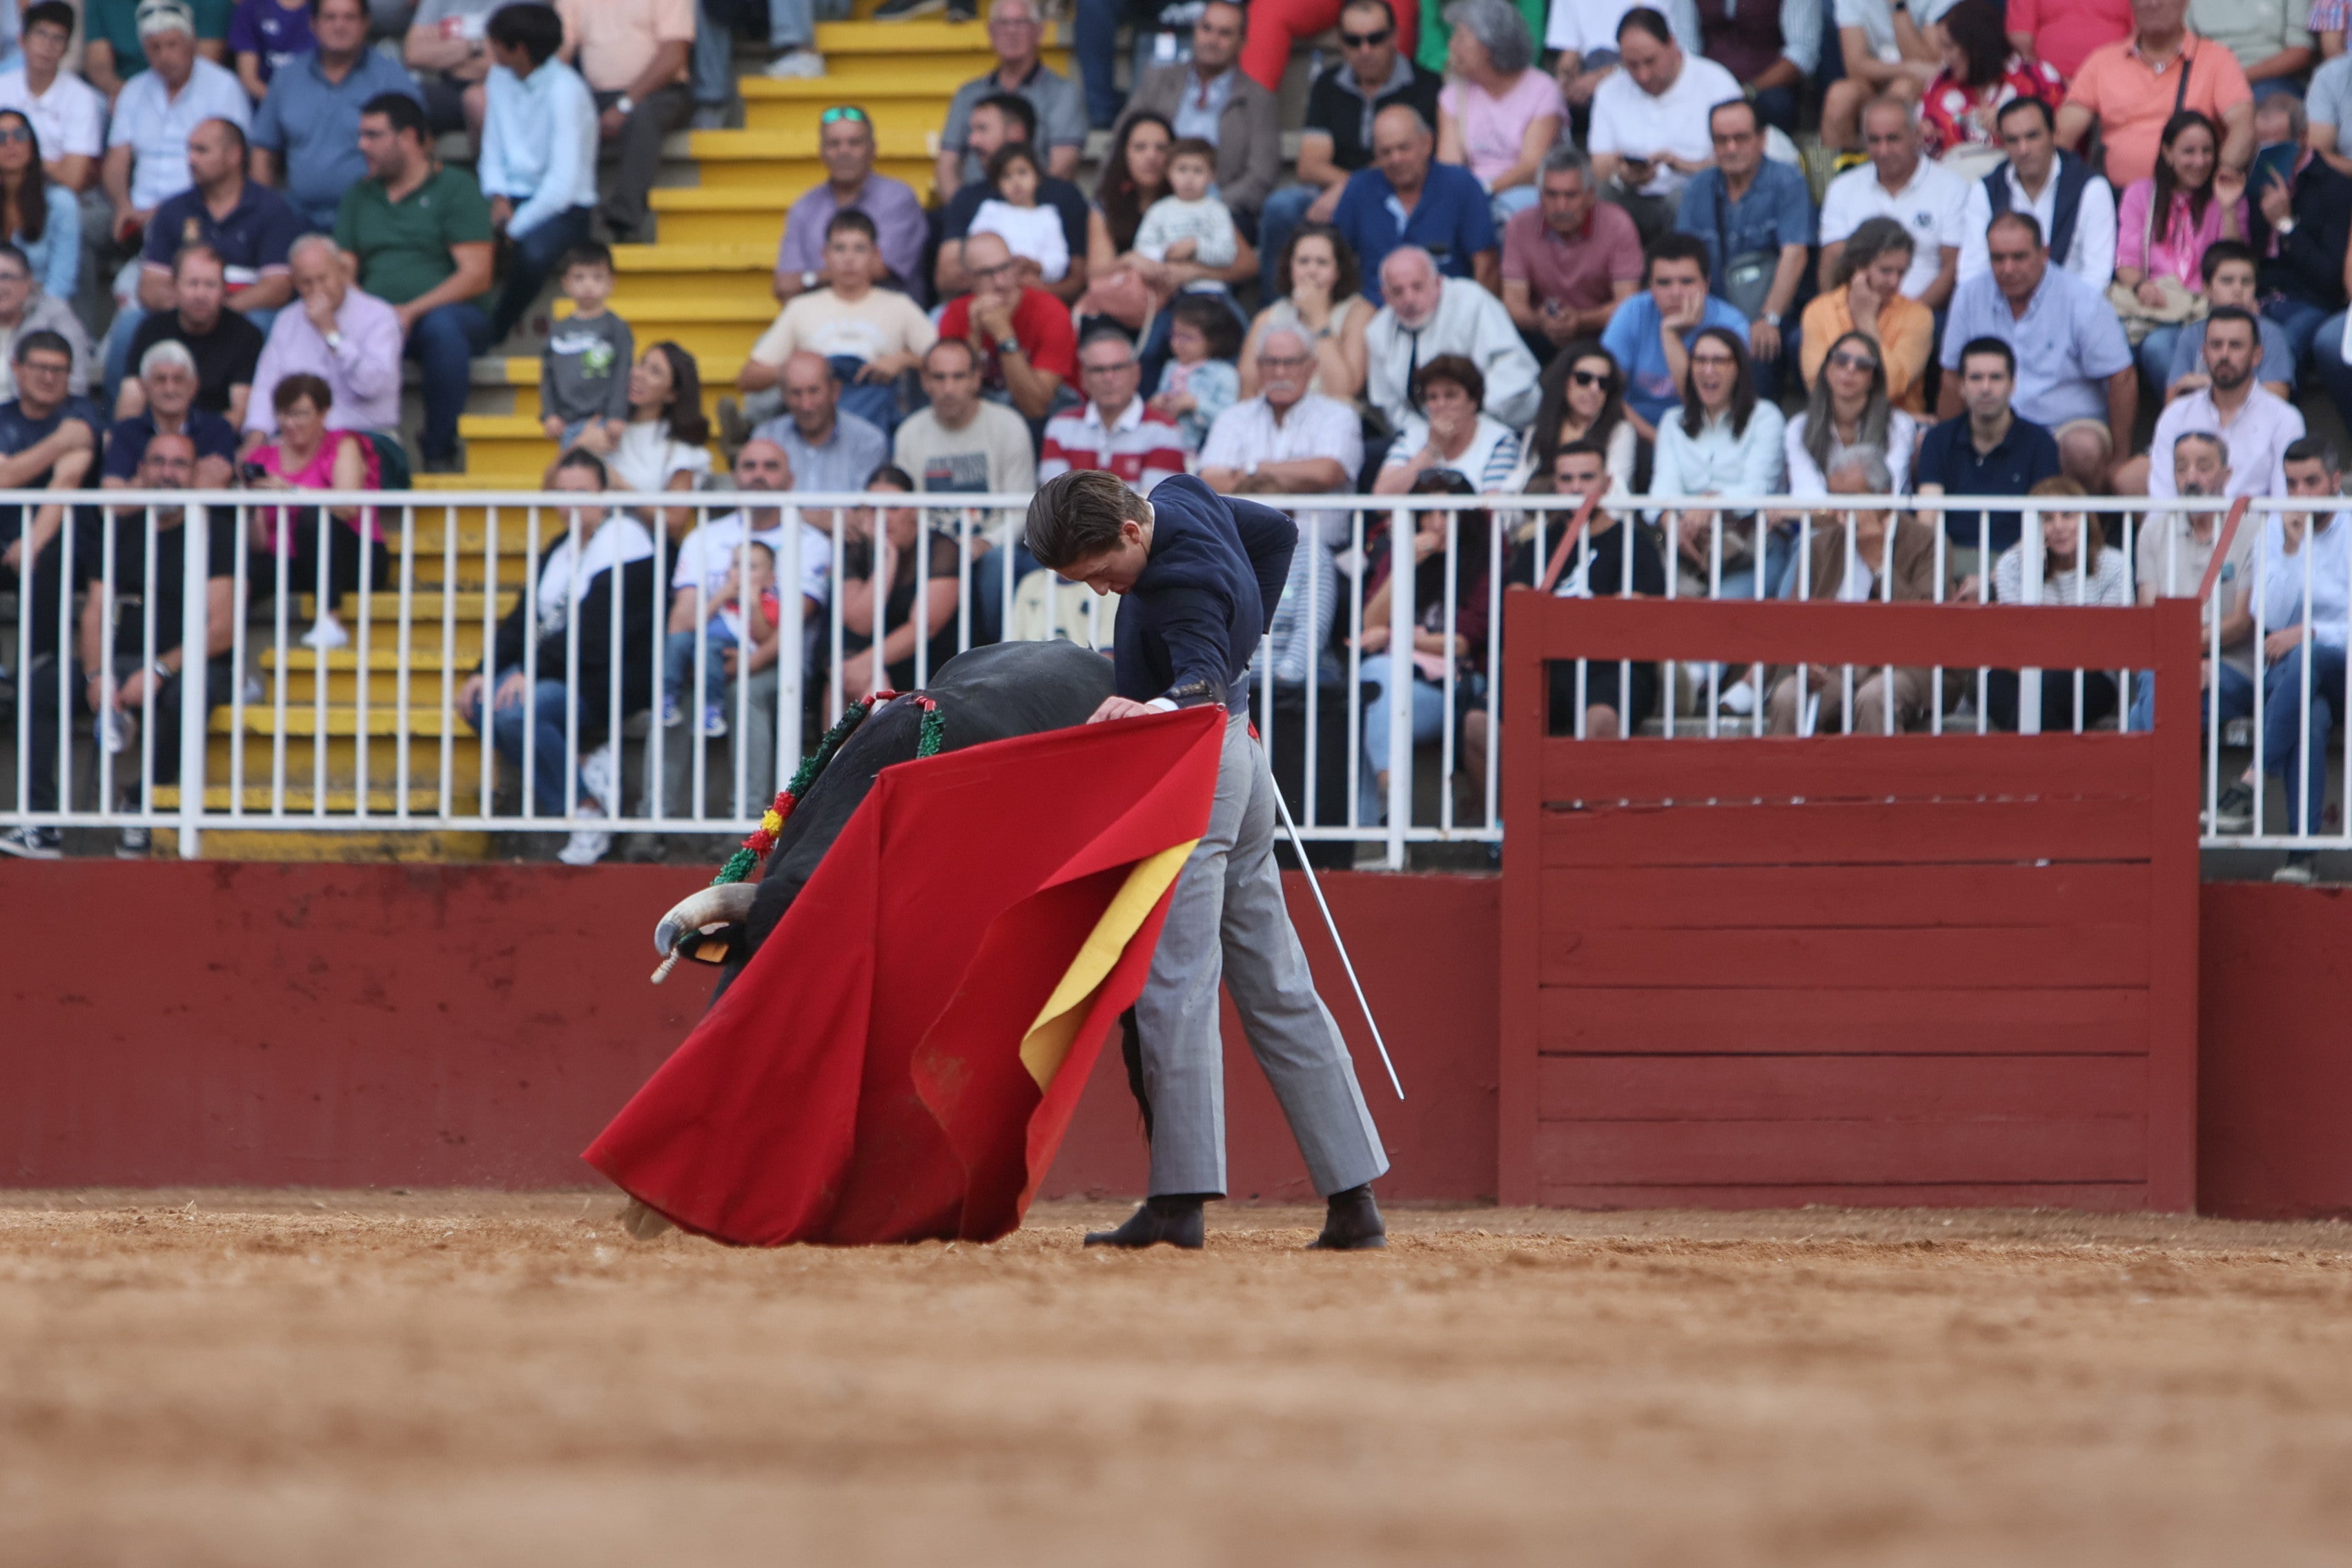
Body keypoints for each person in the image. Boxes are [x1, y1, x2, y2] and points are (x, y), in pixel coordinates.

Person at [1021, 467, 1391, 1253]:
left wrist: (1157, 699)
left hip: (1198, 768)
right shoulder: (1179, 496)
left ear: (1128, 532)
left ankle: (1178, 1199)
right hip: (1242, 761)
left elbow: (1196, 681)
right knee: (1277, 980)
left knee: (1173, 981)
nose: (1103, 592)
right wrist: (1241, 634)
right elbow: (1278, 533)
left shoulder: (1179, 578)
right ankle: (1353, 1194)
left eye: (1100, 575)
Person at [3, 433, 234, 863]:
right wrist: (95, 675)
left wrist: (161, 671)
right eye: (158, 463)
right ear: (140, 472)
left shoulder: (214, 531)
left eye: (179, 465)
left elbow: (221, 629)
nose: (167, 474)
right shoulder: (119, 530)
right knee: (38, 684)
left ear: (195, 473)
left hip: (188, 665)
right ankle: (41, 821)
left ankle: (143, 809)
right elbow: (93, 613)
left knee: (189, 694)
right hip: (118, 663)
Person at [460, 448, 658, 866]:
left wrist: (530, 672)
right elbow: (522, 617)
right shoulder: (561, 546)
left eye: (582, 491)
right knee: (478, 704)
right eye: (562, 492)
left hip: (606, 676)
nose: (571, 502)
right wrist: (485, 670)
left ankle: (586, 810)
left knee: (516, 714)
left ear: (604, 493)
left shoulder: (628, 540)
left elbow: (597, 636)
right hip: (556, 669)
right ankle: (583, 771)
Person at [643, 438, 820, 822]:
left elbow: (791, 627)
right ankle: (651, 821)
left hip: (775, 666)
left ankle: (748, 826)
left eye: (770, 467)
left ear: (790, 479)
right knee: (670, 702)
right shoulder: (702, 537)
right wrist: (691, 660)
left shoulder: (812, 543)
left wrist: (742, 665)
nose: (759, 475)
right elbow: (683, 615)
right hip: (710, 655)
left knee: (744, 694)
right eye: (749, 466)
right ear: (736, 477)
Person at [334, 92, 493, 474]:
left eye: (373, 135)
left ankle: (438, 448)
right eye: (362, 135)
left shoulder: (455, 187)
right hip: (376, 315)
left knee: (445, 331)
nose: (362, 146)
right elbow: (342, 270)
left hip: (443, 313)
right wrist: (371, 315)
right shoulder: (360, 195)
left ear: (406, 138)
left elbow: (477, 274)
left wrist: (410, 311)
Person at [1256, 0, 1442, 299]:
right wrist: (1348, 189)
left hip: (1398, 192)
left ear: (1395, 36)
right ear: (1341, 42)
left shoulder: (1427, 86)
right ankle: (1277, 317)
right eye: (1354, 41)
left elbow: (1410, 160)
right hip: (1334, 194)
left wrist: (1350, 188)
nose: (1365, 50)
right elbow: (1310, 165)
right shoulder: (1328, 84)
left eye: (1376, 38)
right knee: (1282, 208)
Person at [1938, 210, 2135, 490]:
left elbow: (2122, 377)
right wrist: (1945, 440)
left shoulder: (2082, 299)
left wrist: (2121, 458)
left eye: (2019, 257)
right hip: (1987, 421)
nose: (2007, 268)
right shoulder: (1969, 295)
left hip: (2063, 426)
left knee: (2083, 449)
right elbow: (1950, 376)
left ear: (2044, 253)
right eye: (1998, 258)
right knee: (1926, 446)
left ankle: (2088, 530)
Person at [110, 117, 294, 402]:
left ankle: (252, 424)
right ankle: (119, 430)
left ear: (234, 155)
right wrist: (189, 307)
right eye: (189, 150)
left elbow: (278, 286)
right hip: (183, 310)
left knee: (263, 325)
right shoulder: (174, 209)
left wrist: (219, 308)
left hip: (245, 312)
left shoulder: (270, 208)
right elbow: (150, 285)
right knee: (128, 326)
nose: (190, 159)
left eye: (202, 150)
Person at [1766, 449, 1947, 734]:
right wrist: (1804, 660)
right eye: (1834, 498)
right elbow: (1793, 622)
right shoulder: (1821, 545)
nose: (1840, 512)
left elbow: (1927, 623)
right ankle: (1786, 778)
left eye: (1851, 499)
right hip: (1833, 665)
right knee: (1789, 696)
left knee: (1875, 696)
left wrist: (1878, 562)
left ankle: (1876, 779)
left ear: (1885, 495)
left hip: (1901, 663)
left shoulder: (1928, 543)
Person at [1354, 467, 1493, 821]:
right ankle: (1385, 803)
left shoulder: (1483, 558)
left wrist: (1395, 636)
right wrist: (1406, 566)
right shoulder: (1402, 553)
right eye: (1427, 514)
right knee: (1375, 686)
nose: (1436, 524)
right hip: (1394, 682)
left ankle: (1385, 809)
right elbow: (1370, 622)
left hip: (1454, 686)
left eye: (1445, 513)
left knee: (1374, 682)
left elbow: (1462, 643)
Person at [2246, 438, 2349, 878]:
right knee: (2310, 719)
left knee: (2310, 653)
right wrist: (2291, 550)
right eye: (2291, 483)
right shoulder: (2276, 525)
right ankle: (2301, 853)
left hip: (2345, 666)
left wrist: (2310, 631)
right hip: (2296, 674)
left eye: (2311, 482)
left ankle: (2256, 774)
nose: (2300, 493)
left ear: (2335, 481)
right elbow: (2266, 617)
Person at [0, 327, 102, 767]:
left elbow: (67, 480)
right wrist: (59, 442)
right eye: (39, 367)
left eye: (58, 370)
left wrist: (32, 542)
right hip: (8, 542)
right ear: (16, 368)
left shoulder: (86, 414)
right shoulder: (14, 418)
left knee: (51, 559)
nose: (48, 377)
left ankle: (35, 667)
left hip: (63, 546)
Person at [740, 210, 934, 438]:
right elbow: (748, 377)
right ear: (825, 256)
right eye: (840, 248)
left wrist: (904, 360)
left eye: (859, 249)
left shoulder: (900, 306)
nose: (849, 258)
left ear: (876, 255)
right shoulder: (801, 307)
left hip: (877, 421)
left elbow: (947, 361)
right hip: (811, 420)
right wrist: (804, 370)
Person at [892, 337, 1037, 637]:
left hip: (991, 545)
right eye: (939, 377)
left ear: (975, 379)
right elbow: (905, 507)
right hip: (930, 547)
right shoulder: (910, 433)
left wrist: (985, 542)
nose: (948, 388)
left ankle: (998, 650)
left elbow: (1023, 508)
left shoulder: (1008, 425)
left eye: (958, 377)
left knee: (999, 561)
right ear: (925, 381)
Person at [2124, 427, 2256, 741]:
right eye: (2181, 468)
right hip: (2170, 667)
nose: (2191, 478)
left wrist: (2183, 651)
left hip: (2232, 667)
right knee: (2160, 697)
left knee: (2143, 714)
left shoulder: (2254, 530)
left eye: (2203, 467)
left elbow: (2241, 623)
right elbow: (2149, 617)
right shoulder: (2153, 533)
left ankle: (2140, 789)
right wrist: (2182, 657)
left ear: (2227, 474)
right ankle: (2165, 790)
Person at [1673, 99, 1812, 397]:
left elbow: (1795, 254)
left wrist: (1770, 316)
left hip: (1770, 313)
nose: (1731, 148)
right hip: (1712, 312)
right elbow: (1684, 258)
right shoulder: (1698, 188)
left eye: (1741, 138)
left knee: (1759, 349)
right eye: (1721, 140)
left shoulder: (1788, 182)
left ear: (1762, 139)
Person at [101, 3, 251, 279]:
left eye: (172, 44)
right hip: (137, 214)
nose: (164, 56)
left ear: (192, 40)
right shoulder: (133, 90)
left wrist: (161, 213)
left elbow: (231, 163)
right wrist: (123, 205)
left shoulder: (223, 87)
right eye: (154, 48)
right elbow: (117, 159)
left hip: (200, 210)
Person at [478, 1, 598, 341]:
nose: (490, 50)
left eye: (497, 43)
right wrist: (498, 196)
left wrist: (512, 229)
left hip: (564, 208)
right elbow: (493, 147)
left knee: (533, 255)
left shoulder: (567, 91)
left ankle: (493, 331)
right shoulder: (499, 76)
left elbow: (562, 186)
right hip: (510, 196)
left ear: (519, 50)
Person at [249, 0, 422, 233]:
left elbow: (417, 148)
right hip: (296, 216)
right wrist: (264, 215)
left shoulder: (391, 78)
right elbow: (263, 152)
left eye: (349, 18)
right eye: (330, 18)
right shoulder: (288, 77)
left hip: (373, 216)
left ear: (365, 24)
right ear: (313, 24)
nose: (339, 26)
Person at [245, 371, 386, 651]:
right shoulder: (263, 457)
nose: (291, 423)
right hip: (292, 560)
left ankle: (331, 620)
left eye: (301, 414)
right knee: (240, 569)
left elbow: (347, 506)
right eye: (284, 414)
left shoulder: (343, 444)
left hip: (355, 557)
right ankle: (232, 668)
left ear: (323, 413)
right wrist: (251, 502)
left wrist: (291, 492)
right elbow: (259, 542)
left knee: (313, 518)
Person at [1980, 474, 2133, 733]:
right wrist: (2033, 571)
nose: (2058, 527)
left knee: (2044, 694)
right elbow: (2014, 645)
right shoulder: (2013, 565)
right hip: (2021, 673)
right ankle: (2052, 771)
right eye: (2047, 518)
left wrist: (2047, 651)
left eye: (2068, 515)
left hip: (2090, 677)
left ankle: (2024, 769)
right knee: (1994, 685)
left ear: (2086, 518)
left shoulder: (2113, 565)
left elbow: (2103, 648)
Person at [1647, 324, 1787, 602]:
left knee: (1719, 613)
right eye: (1700, 360)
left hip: (1752, 547)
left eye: (1719, 361)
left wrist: (1708, 503)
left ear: (1739, 369)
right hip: (1689, 546)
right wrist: (1671, 520)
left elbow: (1758, 488)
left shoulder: (1766, 417)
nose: (1708, 370)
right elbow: (1662, 490)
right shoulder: (1673, 422)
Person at [1115, 0, 1282, 230]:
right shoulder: (1158, 80)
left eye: (1225, 34)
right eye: (1207, 28)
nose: (1212, 40)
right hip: (1152, 204)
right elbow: (1121, 139)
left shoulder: (1258, 99)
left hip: (1223, 214)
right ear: (1195, 30)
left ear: (1242, 43)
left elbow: (1262, 175)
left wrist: (1210, 207)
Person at [1199, 322, 1363, 553]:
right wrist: (1296, 478)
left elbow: (1326, 473)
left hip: (1316, 553)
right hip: (1243, 551)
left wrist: (1253, 470)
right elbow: (1211, 479)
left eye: (1291, 362)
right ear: (1258, 366)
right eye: (1271, 362)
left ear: (1312, 367)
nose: (1280, 372)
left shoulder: (1338, 416)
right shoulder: (1233, 417)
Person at [2114, 110, 2248, 391]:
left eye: (2207, 151)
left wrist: (2227, 208)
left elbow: (2236, 263)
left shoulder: (2227, 194)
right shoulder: (2140, 194)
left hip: (2207, 309)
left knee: (2169, 346)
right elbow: (2126, 260)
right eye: (2189, 151)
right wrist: (2141, 286)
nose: (2200, 161)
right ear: (2167, 153)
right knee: (2155, 346)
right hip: (2159, 308)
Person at [2059, 0, 2255, 190]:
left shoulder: (2217, 59)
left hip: (2191, 203)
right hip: (2117, 203)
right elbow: (2062, 136)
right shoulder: (2102, 62)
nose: (2153, 3)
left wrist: (2218, 180)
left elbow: (2243, 126)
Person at [1585, 7, 1741, 242]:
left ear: (1672, 44)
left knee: (1683, 198)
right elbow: (1599, 164)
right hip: (1634, 196)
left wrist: (1685, 166)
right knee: (1595, 196)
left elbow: (1740, 160)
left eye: (1650, 61)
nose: (1643, 75)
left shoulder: (1717, 84)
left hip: (1698, 197)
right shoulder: (1610, 90)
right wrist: (1624, 172)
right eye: (1632, 65)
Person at [1912, 335, 2062, 579]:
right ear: (1961, 386)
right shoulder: (1938, 439)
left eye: (1995, 377)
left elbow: (2043, 526)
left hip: (2017, 568)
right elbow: (1927, 521)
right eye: (1975, 378)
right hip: (1947, 563)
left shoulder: (2040, 442)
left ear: (2013, 384)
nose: (1985, 387)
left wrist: (1994, 579)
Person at [243, 234, 403, 451]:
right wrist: (256, 435)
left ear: (342, 272)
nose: (317, 290)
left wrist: (331, 333)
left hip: (366, 437)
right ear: (295, 283)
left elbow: (371, 386)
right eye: (307, 283)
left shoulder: (380, 316)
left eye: (323, 279)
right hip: (300, 441)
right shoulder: (287, 320)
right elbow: (267, 385)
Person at [2125, 305, 2303, 499]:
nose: (2224, 355)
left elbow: (2283, 506)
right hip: (2186, 529)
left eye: (2235, 345)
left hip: (2254, 528)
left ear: (2256, 356)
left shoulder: (2284, 419)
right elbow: (2162, 504)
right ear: (2204, 353)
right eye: (2216, 345)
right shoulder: (2176, 415)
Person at [553, 0, 694, 242]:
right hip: (596, 95)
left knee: (642, 116)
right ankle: (565, 225)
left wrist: (625, 105)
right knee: (561, 115)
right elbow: (562, 51)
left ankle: (624, 221)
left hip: (661, 91)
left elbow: (673, 56)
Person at [1332, 102, 1499, 302]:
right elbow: (1334, 255)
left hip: (1446, 309)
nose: (1396, 159)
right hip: (1375, 310)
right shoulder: (1360, 188)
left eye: (1404, 148)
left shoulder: (1460, 185)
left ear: (1427, 143)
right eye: (1385, 152)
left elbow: (1486, 264)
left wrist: (1471, 316)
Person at [1366, 244, 1542, 431]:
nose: (1408, 299)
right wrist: (1427, 435)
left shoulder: (1472, 302)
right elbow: (1390, 406)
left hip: (1502, 423)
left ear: (1438, 283)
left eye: (1417, 287)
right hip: (1427, 436)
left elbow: (1513, 372)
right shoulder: (1378, 330)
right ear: (1384, 296)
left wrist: (1467, 426)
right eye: (1397, 292)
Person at [937, 94, 1090, 306]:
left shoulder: (1064, 198)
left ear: (1016, 133)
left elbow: (1079, 279)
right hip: (979, 305)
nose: (972, 141)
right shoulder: (969, 198)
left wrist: (1038, 287)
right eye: (972, 131)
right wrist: (999, 277)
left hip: (1044, 307)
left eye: (982, 129)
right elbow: (945, 277)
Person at [1958, 97, 2120, 295]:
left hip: (2072, 310)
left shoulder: (2091, 188)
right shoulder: (1986, 189)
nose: (2023, 149)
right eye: (2013, 140)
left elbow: (2097, 275)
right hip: (2003, 311)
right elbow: (1972, 272)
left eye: (2032, 136)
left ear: (2054, 134)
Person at [1816, 95, 1963, 313]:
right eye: (1874, 140)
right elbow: (1832, 260)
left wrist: (1909, 318)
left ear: (1916, 137)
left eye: (1893, 139)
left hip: (1923, 313)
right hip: (1852, 314)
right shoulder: (1842, 187)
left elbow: (1952, 268)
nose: (1883, 151)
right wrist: (1834, 315)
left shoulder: (1952, 188)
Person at [775, 103, 927, 308]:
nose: (843, 151)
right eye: (834, 144)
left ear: (873, 149)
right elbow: (783, 286)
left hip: (886, 320)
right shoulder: (804, 206)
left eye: (854, 143)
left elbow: (880, 270)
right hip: (821, 324)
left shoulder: (898, 198)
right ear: (821, 151)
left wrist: (808, 278)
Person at [1600, 231, 1748, 435]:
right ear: (1650, 286)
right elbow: (1605, 391)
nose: (1676, 293)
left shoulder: (1731, 324)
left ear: (1706, 285)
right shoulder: (1632, 311)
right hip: (1637, 429)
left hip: (1706, 430)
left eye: (1687, 282)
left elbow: (1709, 405)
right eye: (1664, 283)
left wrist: (1670, 335)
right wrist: (1657, 440)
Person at [935, 0, 1085, 196]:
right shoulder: (967, 94)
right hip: (976, 209)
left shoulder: (1063, 93)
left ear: (1039, 32)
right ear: (990, 32)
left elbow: (1062, 168)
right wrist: (963, 211)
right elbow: (947, 164)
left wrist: (1019, 212)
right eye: (1003, 23)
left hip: (1035, 208)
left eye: (1020, 22)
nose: (1011, 31)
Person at [1507, 146, 1641, 363]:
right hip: (1542, 337)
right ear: (1539, 195)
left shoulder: (1618, 225)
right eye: (1551, 195)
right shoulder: (1519, 226)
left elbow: (1628, 304)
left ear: (1590, 195)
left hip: (1603, 338)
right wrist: (1540, 320)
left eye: (1571, 195)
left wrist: (1581, 320)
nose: (1561, 206)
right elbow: (1514, 304)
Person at [839, 464, 963, 698]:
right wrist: (887, 556)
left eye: (893, 508)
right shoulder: (858, 550)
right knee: (858, 684)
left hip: (933, 664)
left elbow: (923, 627)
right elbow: (860, 622)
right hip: (880, 664)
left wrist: (863, 664)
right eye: (874, 509)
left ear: (914, 509)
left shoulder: (942, 548)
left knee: (867, 681)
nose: (883, 517)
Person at [1438, 0, 1564, 227]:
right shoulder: (1452, 94)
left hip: (1527, 192)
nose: (1452, 45)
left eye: (1461, 38)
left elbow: (1532, 166)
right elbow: (1450, 168)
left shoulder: (1542, 89)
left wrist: (1485, 192)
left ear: (1489, 46)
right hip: (1471, 194)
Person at [937, 231, 1076, 423]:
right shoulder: (955, 314)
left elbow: (1036, 408)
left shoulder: (1051, 311)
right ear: (967, 279)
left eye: (1005, 268)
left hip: (1050, 419)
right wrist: (975, 335)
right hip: (982, 421)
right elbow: (956, 401)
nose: (1000, 282)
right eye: (987, 274)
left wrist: (1004, 335)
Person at [2255, 117, 2352, 392]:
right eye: (2261, 145)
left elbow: (2331, 278)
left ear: (2303, 137)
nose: (2269, 154)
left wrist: (2286, 225)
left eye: (2279, 145)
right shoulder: (2253, 185)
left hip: (2311, 302)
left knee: (2280, 344)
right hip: (2258, 297)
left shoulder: (2335, 187)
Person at [1799, 217, 1933, 415]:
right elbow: (1817, 385)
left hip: (1896, 421)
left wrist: (1866, 321)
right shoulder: (1818, 311)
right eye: (1885, 271)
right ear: (1858, 267)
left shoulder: (1919, 316)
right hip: (1833, 420)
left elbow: (1891, 387)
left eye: (1901, 273)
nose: (1894, 281)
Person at [119, 241, 262, 424]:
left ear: (224, 290)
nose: (200, 294)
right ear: (175, 287)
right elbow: (130, 404)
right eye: (192, 284)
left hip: (216, 438)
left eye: (210, 285)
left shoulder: (246, 335)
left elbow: (240, 414)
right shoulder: (152, 330)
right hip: (157, 438)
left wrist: (189, 439)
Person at [1041, 326, 1187, 493]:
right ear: (1083, 378)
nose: (1108, 378)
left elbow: (1154, 507)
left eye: (1117, 368)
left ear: (1136, 373)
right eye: (1098, 370)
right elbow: (1056, 502)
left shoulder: (1164, 430)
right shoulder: (1060, 427)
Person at [1240, 222, 1375, 402]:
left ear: (1338, 271)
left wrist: (1318, 317)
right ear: (1290, 268)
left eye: (1322, 263)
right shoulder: (1268, 318)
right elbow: (1247, 391)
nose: (1311, 271)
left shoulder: (1359, 312)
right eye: (1303, 262)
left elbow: (1344, 390)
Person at [1917, 0, 2068, 160]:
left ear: (1976, 47)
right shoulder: (1940, 84)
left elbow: (2062, 140)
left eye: (1949, 47)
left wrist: (2009, 126)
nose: (1944, 57)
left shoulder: (2037, 79)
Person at [747, 352, 891, 509]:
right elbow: (761, 507)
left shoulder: (868, 440)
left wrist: (794, 517)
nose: (806, 405)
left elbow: (863, 515)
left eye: (814, 391)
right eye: (796, 393)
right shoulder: (767, 437)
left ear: (835, 391)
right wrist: (819, 519)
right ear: (783, 395)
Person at [663, 539, 776, 736]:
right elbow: (695, 624)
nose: (741, 572)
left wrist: (754, 604)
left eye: (751, 568)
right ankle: (666, 696)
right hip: (702, 644)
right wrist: (720, 597)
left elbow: (763, 637)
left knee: (708, 648)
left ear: (769, 580)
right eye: (736, 565)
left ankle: (712, 709)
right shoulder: (722, 598)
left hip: (729, 649)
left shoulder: (768, 603)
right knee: (678, 640)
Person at [1786, 329, 1917, 497]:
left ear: (1874, 379)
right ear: (1827, 370)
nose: (1850, 368)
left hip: (1882, 521)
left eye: (1863, 364)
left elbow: (1890, 491)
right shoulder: (1799, 427)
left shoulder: (1899, 424)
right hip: (1821, 523)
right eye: (1841, 360)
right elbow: (1807, 494)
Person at [1375, 353, 1525, 492]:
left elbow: (1491, 510)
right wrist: (1433, 450)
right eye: (1433, 397)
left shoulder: (1499, 441)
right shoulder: (1411, 438)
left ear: (1473, 401)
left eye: (1451, 396)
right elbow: (1381, 499)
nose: (1441, 404)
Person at [2164, 240, 2293, 400]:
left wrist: (2208, 384)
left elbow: (2276, 400)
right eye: (2227, 281)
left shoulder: (2271, 335)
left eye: (2246, 282)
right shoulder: (2191, 335)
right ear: (2206, 289)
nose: (2238, 290)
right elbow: (2173, 403)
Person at [607, 340, 713, 533]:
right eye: (641, 364)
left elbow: (675, 523)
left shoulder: (680, 450)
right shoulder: (605, 427)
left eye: (655, 371)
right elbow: (551, 489)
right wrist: (580, 444)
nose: (638, 374)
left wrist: (622, 488)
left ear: (672, 394)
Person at [0, 3, 106, 195]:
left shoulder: (82, 98)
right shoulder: (2, 87)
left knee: (63, 201)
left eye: (58, 39)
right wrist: (53, 163)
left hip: (53, 193)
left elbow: (73, 179)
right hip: (3, 190)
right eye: (41, 35)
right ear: (22, 40)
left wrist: (20, 158)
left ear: (66, 49)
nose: (48, 46)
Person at [104, 337, 236, 487]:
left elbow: (214, 485)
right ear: (144, 386)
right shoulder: (126, 431)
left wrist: (145, 480)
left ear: (194, 385)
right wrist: (190, 476)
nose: (169, 390)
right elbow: (113, 497)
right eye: (160, 380)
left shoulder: (217, 429)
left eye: (178, 380)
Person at [538, 243, 632, 455]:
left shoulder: (616, 328)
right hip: (567, 423)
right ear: (566, 284)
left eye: (598, 278)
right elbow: (548, 376)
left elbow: (622, 373)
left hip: (604, 422)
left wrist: (617, 415)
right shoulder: (558, 331)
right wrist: (550, 414)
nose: (588, 285)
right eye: (579, 278)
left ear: (611, 284)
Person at [1515, 337, 1637, 496]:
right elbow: (1518, 486)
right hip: (1545, 519)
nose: (1594, 389)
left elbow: (1617, 491)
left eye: (1603, 383)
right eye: (1583, 379)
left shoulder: (1620, 432)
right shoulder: (1538, 431)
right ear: (1564, 381)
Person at [1821, 0, 1940, 151]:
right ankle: (1838, 173)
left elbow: (1932, 66)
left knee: (1902, 89)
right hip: (1876, 82)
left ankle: (1891, 167)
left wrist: (1898, 7)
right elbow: (1855, 67)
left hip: (1926, 88)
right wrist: (1908, 68)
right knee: (1840, 95)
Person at [83, 0, 234, 106]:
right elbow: (99, 66)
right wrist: (133, 97)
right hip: (123, 92)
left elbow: (207, 59)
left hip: (193, 91)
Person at [1148, 292, 1242, 451]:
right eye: (1174, 335)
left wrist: (1195, 405)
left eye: (1188, 338)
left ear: (1214, 340)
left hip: (1205, 448)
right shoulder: (1171, 367)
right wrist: (1158, 403)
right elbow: (1159, 399)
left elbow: (1230, 419)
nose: (1178, 343)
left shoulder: (1224, 373)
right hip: (1168, 445)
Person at [1133, 139, 1237, 281]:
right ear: (1169, 173)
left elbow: (1227, 254)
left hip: (1208, 288)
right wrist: (1166, 253)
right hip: (1163, 286)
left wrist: (1195, 247)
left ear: (1212, 176)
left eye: (1198, 171)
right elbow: (1141, 249)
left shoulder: (1218, 211)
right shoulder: (1159, 210)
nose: (1189, 178)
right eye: (1182, 169)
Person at [970, 142, 1073, 286]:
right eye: (1007, 176)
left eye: (1022, 172)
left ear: (1037, 177)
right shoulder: (991, 211)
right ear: (997, 184)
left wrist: (1034, 265)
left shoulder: (1048, 216)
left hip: (1034, 286)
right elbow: (976, 248)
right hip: (993, 283)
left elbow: (1058, 260)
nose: (1016, 182)